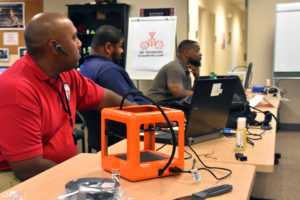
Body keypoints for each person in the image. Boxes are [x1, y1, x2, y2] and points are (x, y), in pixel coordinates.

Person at [0, 12, 134, 189]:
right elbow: (27, 168)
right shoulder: (16, 89)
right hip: (17, 181)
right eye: (74, 38)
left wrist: (143, 114)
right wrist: (81, 181)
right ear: (55, 47)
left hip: (59, 171)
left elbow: (105, 98)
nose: (80, 43)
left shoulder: (66, 74)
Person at [80, 25, 149, 152]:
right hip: (120, 138)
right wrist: (157, 117)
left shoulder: (86, 67)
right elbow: (128, 106)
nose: (122, 51)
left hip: (98, 136)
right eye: (120, 46)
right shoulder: (108, 70)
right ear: (108, 47)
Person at [147, 40, 202, 105]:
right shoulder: (175, 67)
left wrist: (197, 78)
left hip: (171, 104)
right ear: (186, 53)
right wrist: (201, 95)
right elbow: (178, 93)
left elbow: (189, 94)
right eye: (197, 51)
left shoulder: (184, 69)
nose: (200, 54)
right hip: (159, 106)